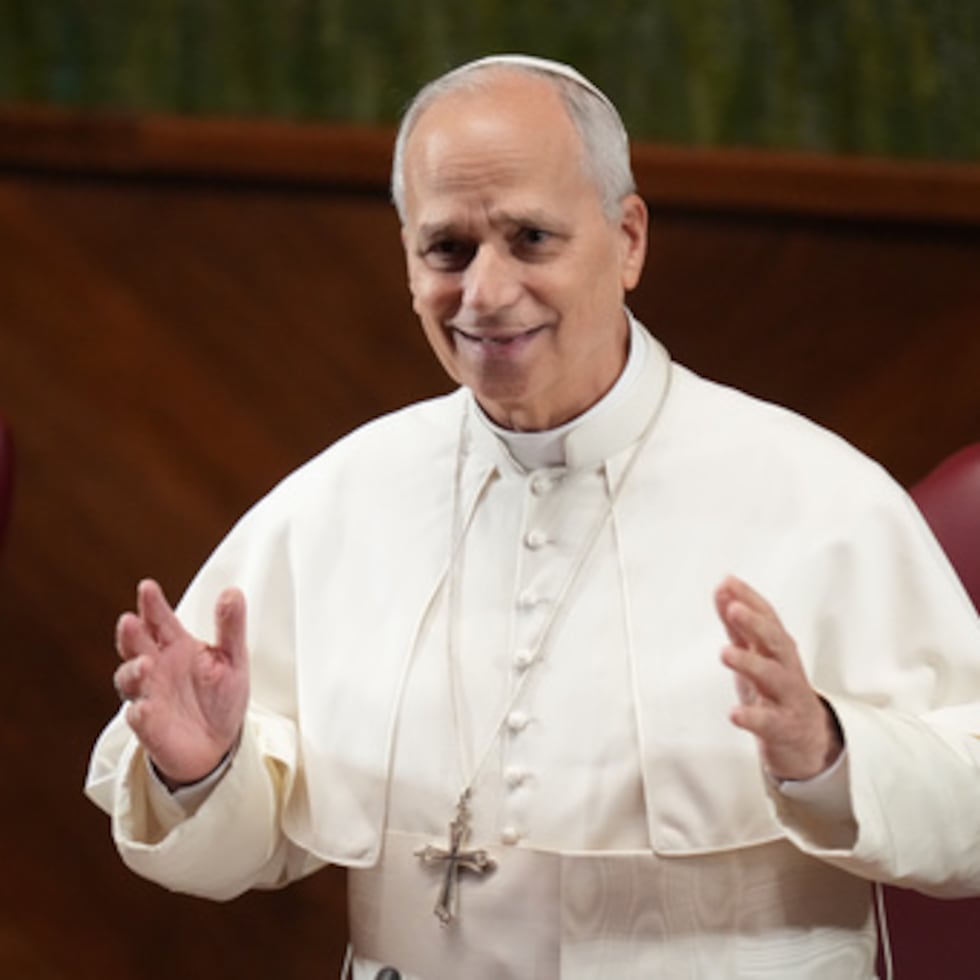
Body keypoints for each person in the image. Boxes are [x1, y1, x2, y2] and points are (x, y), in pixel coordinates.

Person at [87, 54, 980, 978]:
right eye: (447, 249)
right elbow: (239, 846)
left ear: (627, 238)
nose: (485, 292)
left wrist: (828, 754)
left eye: (530, 239)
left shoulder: (818, 495)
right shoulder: (340, 498)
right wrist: (204, 771)